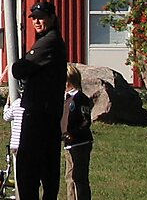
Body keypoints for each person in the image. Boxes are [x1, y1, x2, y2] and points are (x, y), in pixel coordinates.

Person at [12, 1, 68, 200]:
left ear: (52, 18)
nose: (37, 21)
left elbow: (19, 69)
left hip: (39, 114)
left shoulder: (48, 42)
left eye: (41, 17)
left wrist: (25, 67)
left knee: (28, 168)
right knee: (47, 165)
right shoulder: (49, 40)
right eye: (34, 18)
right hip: (48, 113)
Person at [62, 64, 93, 200]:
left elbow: (85, 121)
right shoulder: (65, 98)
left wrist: (73, 133)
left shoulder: (80, 98)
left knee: (78, 177)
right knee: (69, 176)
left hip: (80, 143)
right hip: (68, 143)